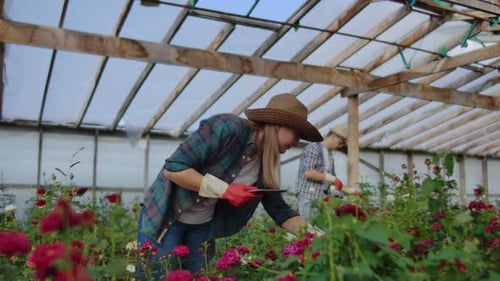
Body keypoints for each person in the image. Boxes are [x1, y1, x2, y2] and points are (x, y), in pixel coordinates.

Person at [136, 93, 324, 278]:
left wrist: (321, 237)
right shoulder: (227, 127)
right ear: (280, 125)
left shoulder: (263, 163)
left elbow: (280, 210)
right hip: (168, 218)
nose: (297, 142)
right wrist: (226, 190)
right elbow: (174, 168)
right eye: (297, 134)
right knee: (158, 275)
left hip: (203, 227)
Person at [295, 126, 360, 220]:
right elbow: (309, 173)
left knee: (321, 228)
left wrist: (349, 190)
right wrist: (331, 178)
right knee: (309, 227)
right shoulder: (313, 148)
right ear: (333, 136)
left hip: (321, 198)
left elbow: (333, 180)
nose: (340, 146)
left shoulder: (329, 155)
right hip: (308, 196)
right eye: (340, 142)